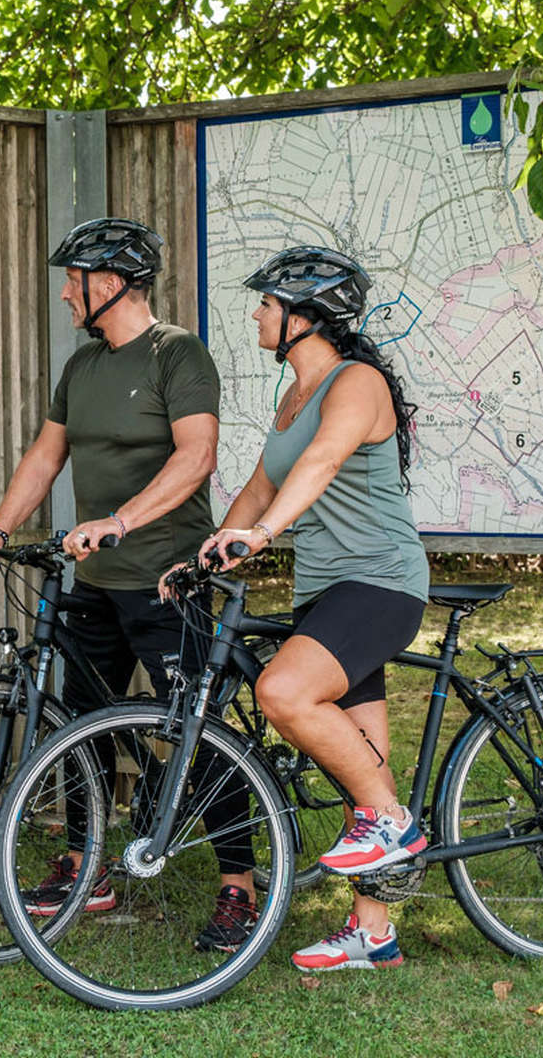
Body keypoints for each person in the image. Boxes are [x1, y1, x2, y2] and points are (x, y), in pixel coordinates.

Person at [0, 218, 254, 951]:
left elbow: (197, 456)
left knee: (196, 729)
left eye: (72, 280)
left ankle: (239, 884)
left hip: (167, 579)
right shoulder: (83, 368)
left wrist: (123, 518)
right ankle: (89, 867)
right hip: (97, 581)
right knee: (80, 726)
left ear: (109, 283)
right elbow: (46, 455)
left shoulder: (178, 354)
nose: (63, 294)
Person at [170, 245, 429, 971]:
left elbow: (320, 464)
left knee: (281, 691)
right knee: (358, 760)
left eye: (267, 303)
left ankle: (392, 825)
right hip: (327, 588)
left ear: (306, 315)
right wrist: (204, 553)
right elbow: (259, 485)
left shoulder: (357, 383)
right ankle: (373, 935)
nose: (255, 313)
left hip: (380, 582)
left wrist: (263, 534)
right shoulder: (290, 399)